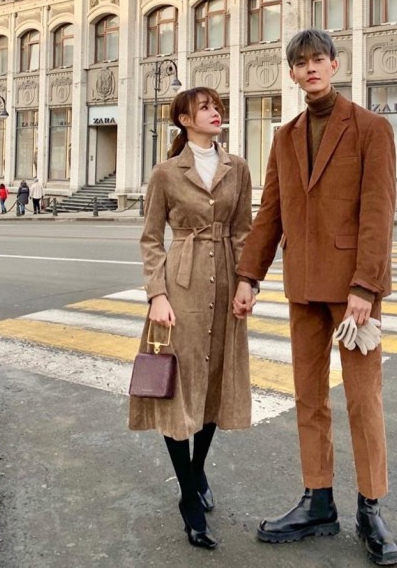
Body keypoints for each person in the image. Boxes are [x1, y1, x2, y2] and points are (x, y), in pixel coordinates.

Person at [233, 29, 397, 566]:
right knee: (308, 398)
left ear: (334, 65)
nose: (310, 68)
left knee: (362, 399)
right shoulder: (285, 137)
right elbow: (271, 214)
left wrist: (365, 287)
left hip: (353, 293)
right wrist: (249, 276)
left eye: (318, 60)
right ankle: (318, 500)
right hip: (303, 287)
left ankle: (370, 507)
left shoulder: (370, 128)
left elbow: (378, 213)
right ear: (292, 73)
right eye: (300, 62)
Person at [129, 87, 254, 551]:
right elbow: (150, 239)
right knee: (180, 385)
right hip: (181, 286)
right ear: (184, 119)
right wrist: (157, 295)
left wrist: (248, 282)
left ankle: (197, 472)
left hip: (225, 281)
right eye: (204, 107)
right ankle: (188, 496)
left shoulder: (237, 167)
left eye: (217, 106)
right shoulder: (166, 173)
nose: (215, 111)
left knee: (213, 381)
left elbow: (244, 231)